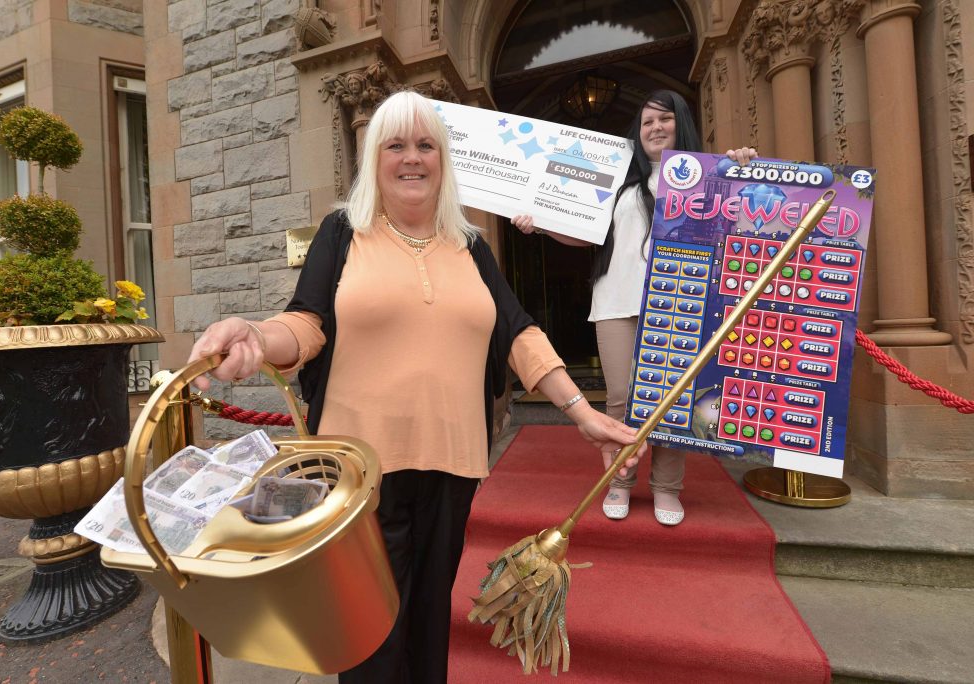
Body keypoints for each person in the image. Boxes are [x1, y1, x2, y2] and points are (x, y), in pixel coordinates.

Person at [186, 90, 645, 684]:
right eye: (395, 145)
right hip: (358, 478)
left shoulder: (472, 244)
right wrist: (252, 333)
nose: (411, 158)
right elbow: (305, 322)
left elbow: (517, 331)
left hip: (452, 466)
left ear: (443, 159)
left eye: (425, 145)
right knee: (371, 638)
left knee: (429, 627)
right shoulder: (343, 231)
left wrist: (581, 410)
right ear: (374, 158)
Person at [513, 89, 756, 526]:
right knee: (622, 401)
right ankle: (620, 483)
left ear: (681, 123)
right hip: (614, 302)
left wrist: (743, 167)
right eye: (647, 122)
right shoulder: (620, 180)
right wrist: (541, 225)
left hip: (680, 303)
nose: (655, 128)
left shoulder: (710, 177)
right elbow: (585, 233)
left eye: (664, 119)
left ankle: (666, 488)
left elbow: (751, 211)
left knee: (671, 401)